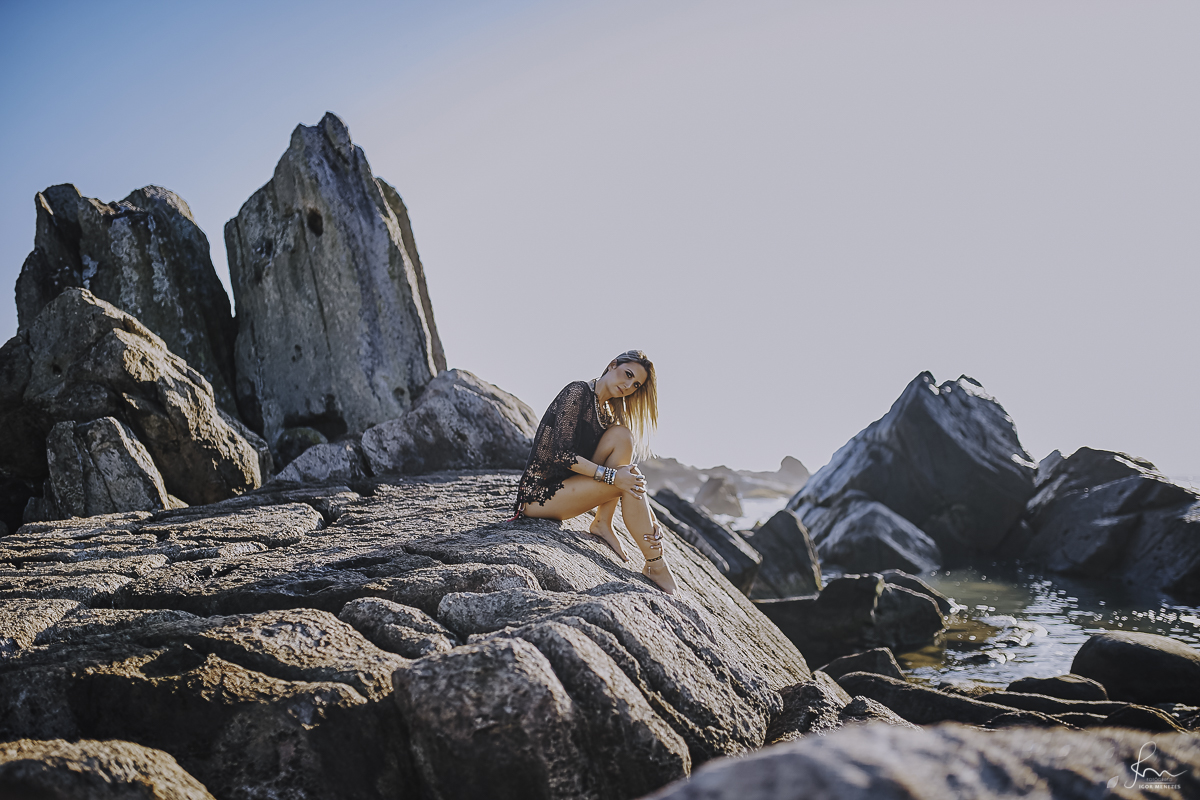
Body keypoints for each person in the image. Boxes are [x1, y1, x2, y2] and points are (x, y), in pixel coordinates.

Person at [514, 350, 678, 595]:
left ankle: (603, 522)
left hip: (569, 488)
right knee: (623, 477)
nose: (628, 385)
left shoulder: (608, 412)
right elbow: (562, 455)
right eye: (628, 374)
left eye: (636, 385)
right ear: (612, 365)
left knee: (623, 437)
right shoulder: (577, 392)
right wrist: (614, 478)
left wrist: (652, 519)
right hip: (538, 496)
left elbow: (624, 472)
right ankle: (656, 564)